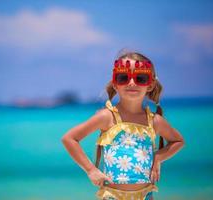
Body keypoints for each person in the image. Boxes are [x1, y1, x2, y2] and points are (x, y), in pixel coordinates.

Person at [61, 49, 185, 200]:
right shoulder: (107, 117)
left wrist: (158, 157)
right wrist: (91, 170)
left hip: (146, 196)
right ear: (115, 84)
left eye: (140, 78)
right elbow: (69, 138)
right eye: (123, 77)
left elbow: (178, 141)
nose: (131, 82)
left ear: (150, 85)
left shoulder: (154, 121)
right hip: (113, 196)